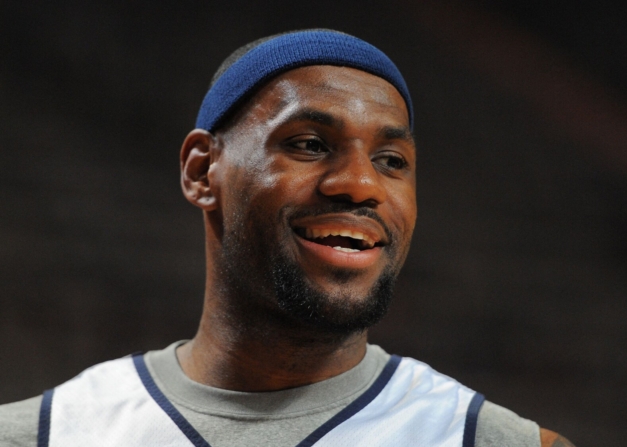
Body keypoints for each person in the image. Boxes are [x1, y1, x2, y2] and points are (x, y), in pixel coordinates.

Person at [0, 29, 574, 447]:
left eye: (391, 159)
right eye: (308, 145)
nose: (360, 184)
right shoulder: (46, 433)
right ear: (202, 171)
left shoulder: (486, 440)